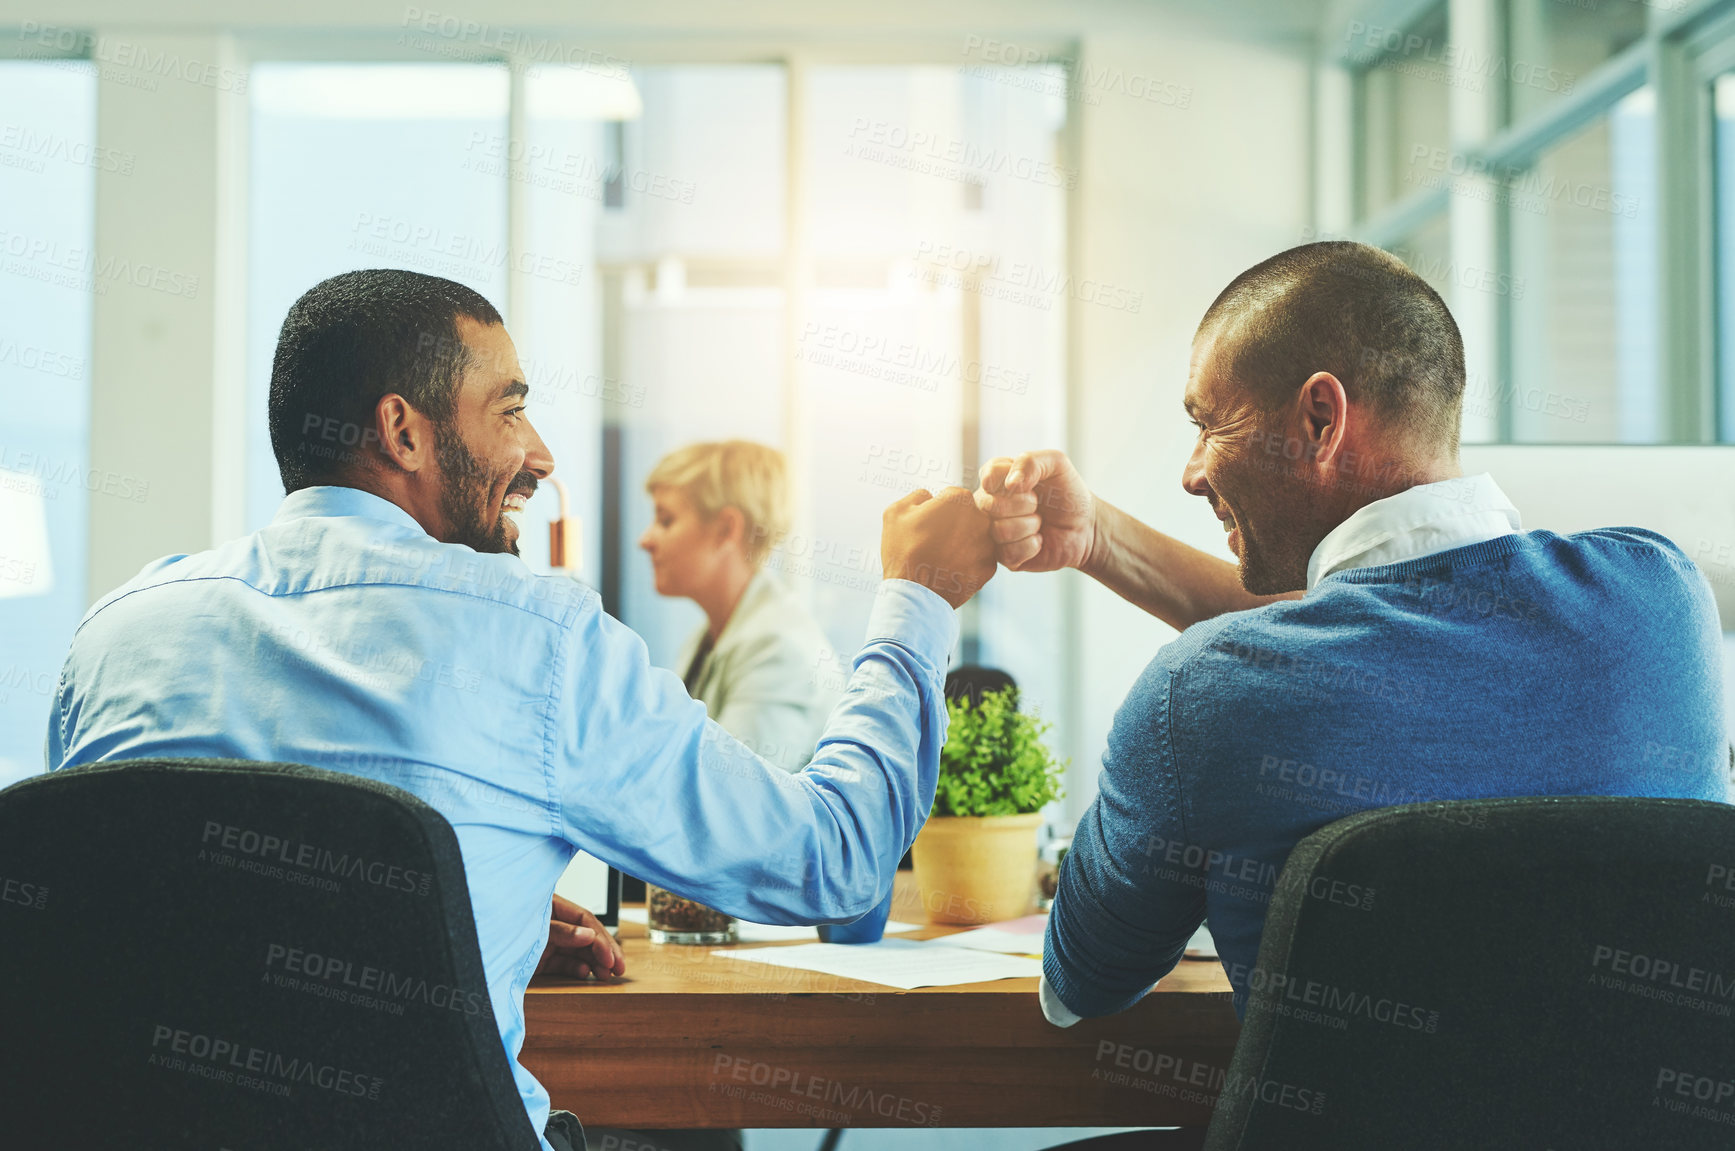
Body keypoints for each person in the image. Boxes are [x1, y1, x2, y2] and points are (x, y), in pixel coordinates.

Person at [46, 269, 996, 1151]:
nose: (538, 454)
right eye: (511, 410)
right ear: (402, 431)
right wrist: (918, 593)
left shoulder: (118, 630)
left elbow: (139, 892)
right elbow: (834, 859)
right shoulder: (534, 632)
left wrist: (430, 919)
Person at [972, 241, 1728, 1029]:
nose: (1192, 473)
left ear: (1320, 418)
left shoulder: (1195, 697)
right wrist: (1099, 539)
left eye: (1208, 424)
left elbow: (1077, 991)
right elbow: (1364, 624)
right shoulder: (1663, 598)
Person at [638, 441, 838, 772]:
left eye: (666, 519)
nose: (645, 539)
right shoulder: (707, 638)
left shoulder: (777, 649)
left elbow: (732, 795)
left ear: (726, 528)